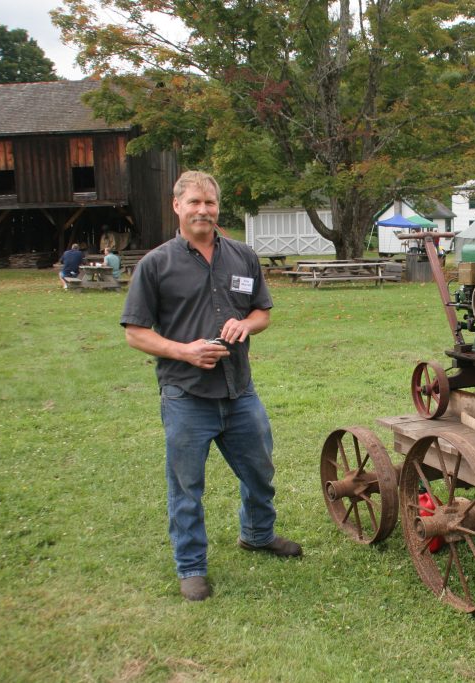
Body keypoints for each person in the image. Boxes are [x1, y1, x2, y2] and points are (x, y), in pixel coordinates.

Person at [120, 170, 300, 602]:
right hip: (186, 395)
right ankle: (191, 566)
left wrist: (246, 323)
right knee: (186, 485)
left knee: (260, 471)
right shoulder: (156, 264)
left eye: (211, 203)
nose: (204, 210)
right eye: (195, 202)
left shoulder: (242, 256)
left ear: (218, 207)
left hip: (240, 391)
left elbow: (262, 312)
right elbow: (134, 332)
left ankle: (257, 534)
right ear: (177, 206)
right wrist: (185, 351)